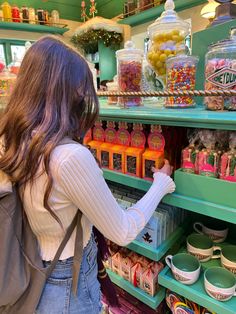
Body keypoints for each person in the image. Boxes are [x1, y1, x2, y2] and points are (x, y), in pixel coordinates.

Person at [0, 36, 175, 314]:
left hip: (32, 264)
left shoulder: (14, 137)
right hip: (66, 282)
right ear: (66, 91)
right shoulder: (68, 157)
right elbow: (123, 230)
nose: (84, 96)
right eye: (82, 88)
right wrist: (161, 184)